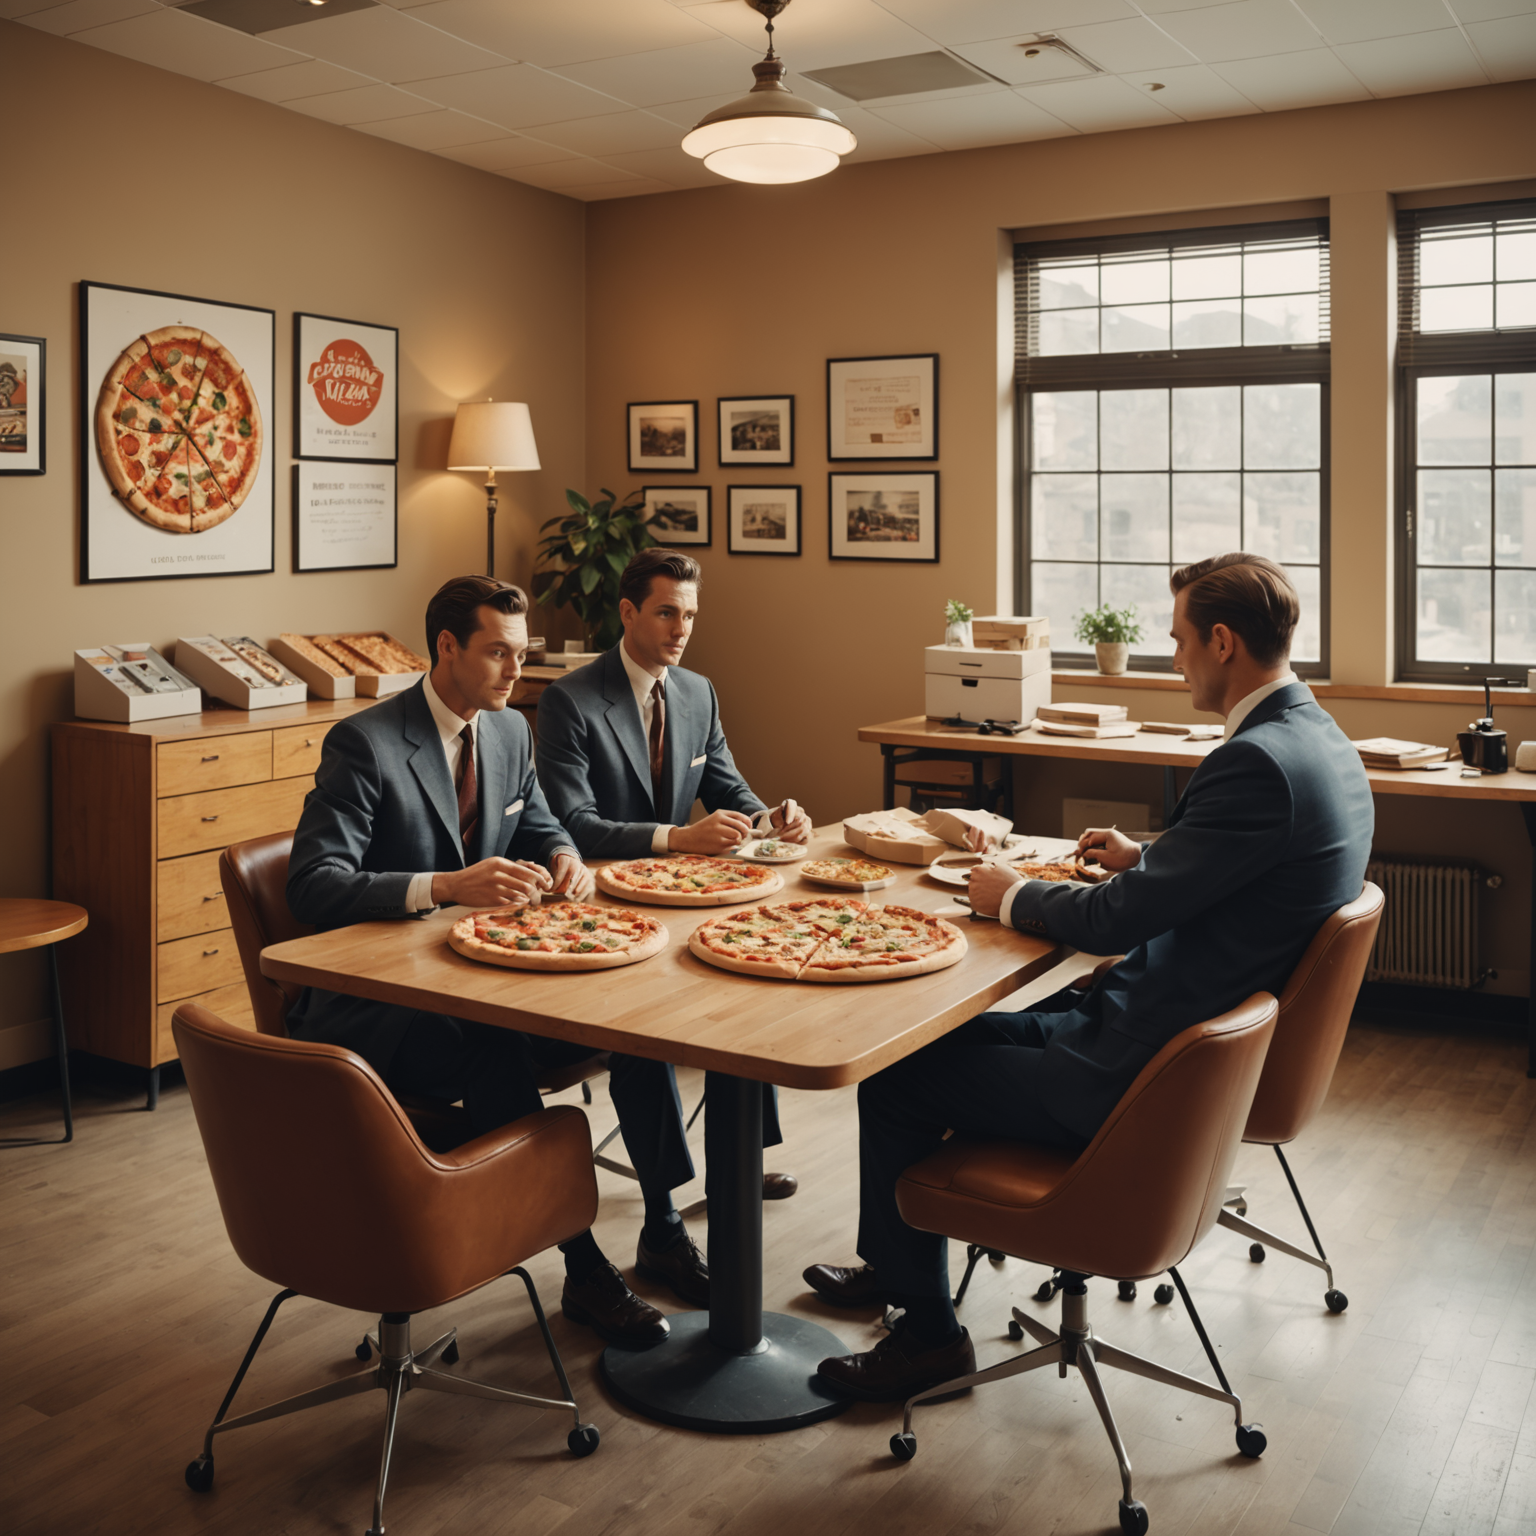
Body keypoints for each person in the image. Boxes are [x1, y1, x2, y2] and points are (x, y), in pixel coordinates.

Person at [807, 552, 1374, 1402]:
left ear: (1223, 642)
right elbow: (1255, 876)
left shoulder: (1254, 761)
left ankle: (926, 1335)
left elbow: (1114, 923)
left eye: (1179, 639)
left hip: (1140, 1071)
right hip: (1162, 1037)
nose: (1174, 658)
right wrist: (1153, 860)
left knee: (892, 1080)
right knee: (926, 1043)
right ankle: (897, 1266)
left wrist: (1009, 895)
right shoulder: (1319, 740)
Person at [286, 574, 675, 1349]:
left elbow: (540, 824)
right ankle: (586, 1271)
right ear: (447, 648)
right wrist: (443, 886)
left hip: (483, 977)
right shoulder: (366, 743)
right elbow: (313, 884)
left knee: (639, 1026)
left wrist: (565, 858)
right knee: (491, 1044)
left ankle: (663, 1226)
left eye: (521, 653)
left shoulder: (506, 733)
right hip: (381, 1009)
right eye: (499, 653)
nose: (515, 670)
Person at [535, 548, 811, 1257]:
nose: (681, 629)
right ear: (627, 612)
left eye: (688, 615)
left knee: (748, 989)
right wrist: (677, 837)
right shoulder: (571, 700)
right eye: (666, 613)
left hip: (683, 898)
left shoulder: (696, 691)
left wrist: (772, 817)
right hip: (600, 906)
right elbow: (574, 823)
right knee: (644, 1035)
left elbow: (728, 788)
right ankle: (660, 1218)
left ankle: (735, 1167)